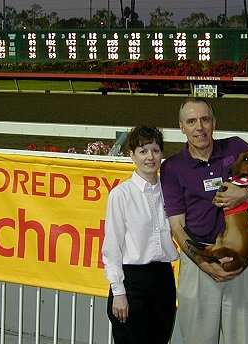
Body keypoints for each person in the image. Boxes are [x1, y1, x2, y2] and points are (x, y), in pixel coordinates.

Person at [160, 97, 248, 344]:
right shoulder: (173, 168)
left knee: (243, 339)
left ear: (214, 123)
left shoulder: (236, 149)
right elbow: (177, 226)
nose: (199, 127)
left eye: (205, 119)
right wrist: (204, 264)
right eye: (191, 121)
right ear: (182, 127)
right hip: (200, 263)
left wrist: (247, 193)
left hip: (243, 263)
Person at [102, 126, 179, 344]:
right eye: (143, 151)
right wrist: (118, 292)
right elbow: (112, 248)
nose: (150, 157)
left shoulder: (170, 191)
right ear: (132, 155)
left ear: (161, 153)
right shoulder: (120, 195)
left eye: (155, 150)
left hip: (163, 280)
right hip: (131, 283)